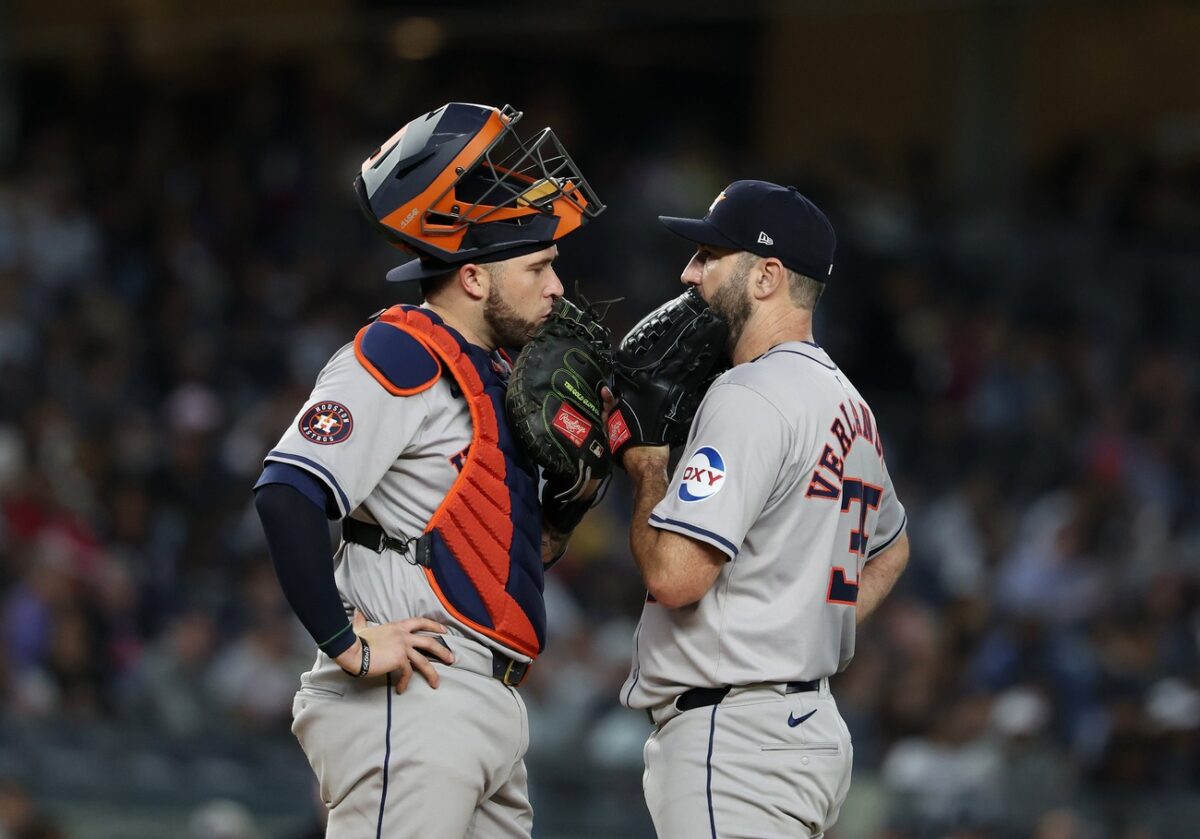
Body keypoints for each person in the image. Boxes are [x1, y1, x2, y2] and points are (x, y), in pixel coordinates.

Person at [253, 103, 606, 839]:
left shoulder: (502, 381)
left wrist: (570, 507)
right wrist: (345, 640)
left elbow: (501, 546)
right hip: (411, 700)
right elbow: (287, 491)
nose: (556, 289)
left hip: (489, 703)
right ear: (473, 279)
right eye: (538, 267)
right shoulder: (403, 352)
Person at [616, 180, 910, 837]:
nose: (688, 274)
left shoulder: (749, 394)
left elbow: (675, 577)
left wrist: (647, 468)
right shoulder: (848, 404)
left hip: (737, 740)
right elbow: (892, 548)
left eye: (708, 255)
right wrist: (800, 633)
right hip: (804, 729)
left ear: (766, 275)